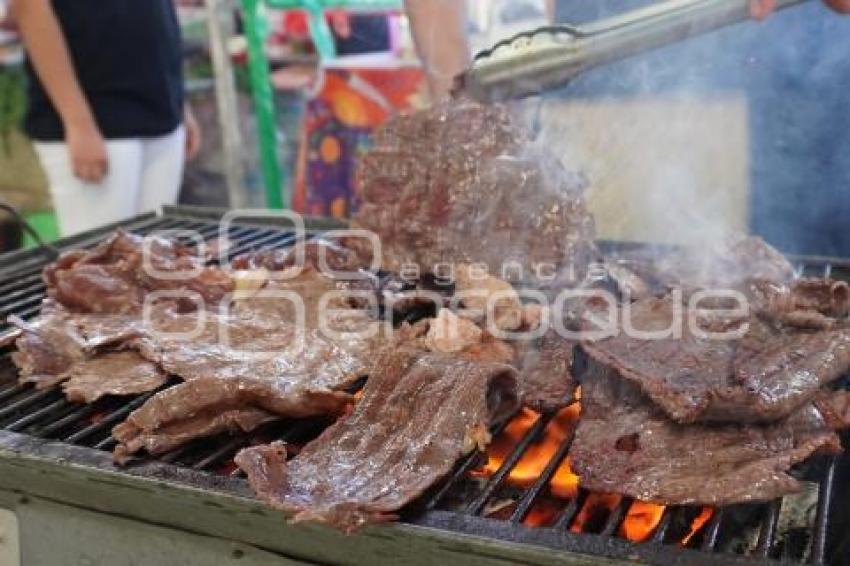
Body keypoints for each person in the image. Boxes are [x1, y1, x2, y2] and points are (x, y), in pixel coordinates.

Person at [11, 0, 201, 236]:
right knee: (97, 255)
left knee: (156, 250)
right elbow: (30, 9)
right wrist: (78, 122)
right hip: (96, 116)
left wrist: (181, 102)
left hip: (160, 107)